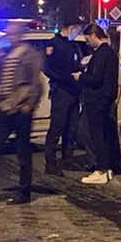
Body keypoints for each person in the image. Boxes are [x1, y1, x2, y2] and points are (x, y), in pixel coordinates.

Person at [0, 35, 44, 204]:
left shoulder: (28, 54)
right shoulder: (5, 54)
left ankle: (24, 191)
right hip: (6, 106)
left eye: (12, 32)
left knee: (22, 149)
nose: (9, 36)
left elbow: (36, 81)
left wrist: (30, 103)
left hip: (21, 107)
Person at [79, 22, 121, 184]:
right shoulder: (110, 53)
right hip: (105, 99)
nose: (87, 43)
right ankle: (107, 168)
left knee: (97, 136)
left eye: (87, 39)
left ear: (94, 36)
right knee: (104, 135)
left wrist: (81, 77)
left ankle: (102, 170)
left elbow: (96, 78)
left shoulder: (101, 54)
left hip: (97, 100)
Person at [42, 27, 82, 173]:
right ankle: (50, 162)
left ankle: (68, 158)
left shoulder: (73, 44)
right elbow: (46, 68)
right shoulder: (53, 44)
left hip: (74, 91)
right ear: (70, 28)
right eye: (77, 28)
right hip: (61, 91)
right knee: (57, 127)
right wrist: (63, 78)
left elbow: (76, 63)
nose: (78, 32)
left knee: (71, 127)